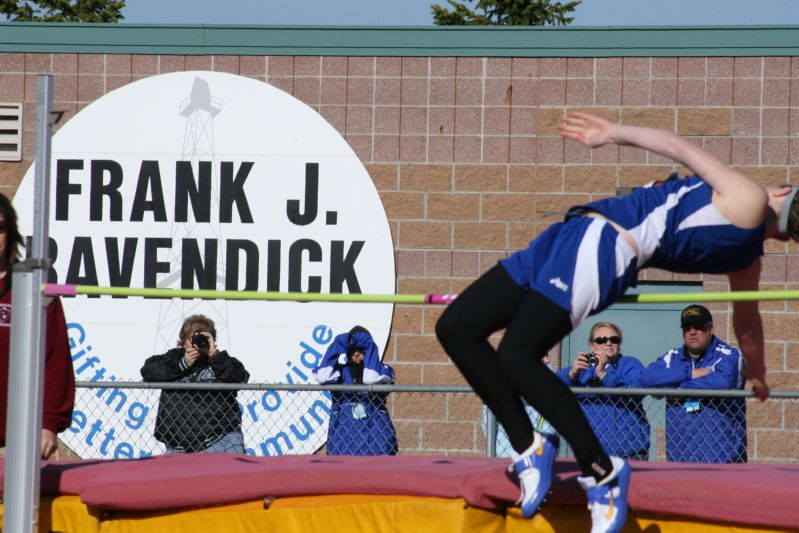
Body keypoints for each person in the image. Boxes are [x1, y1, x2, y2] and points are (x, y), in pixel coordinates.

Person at [436, 110, 786, 532]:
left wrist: (613, 133)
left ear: (784, 195)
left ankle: (603, 472)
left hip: (605, 248)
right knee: (456, 328)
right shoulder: (747, 260)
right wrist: (759, 373)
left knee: (517, 356)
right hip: (572, 233)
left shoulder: (749, 199)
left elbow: (676, 145)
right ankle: (529, 447)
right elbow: (749, 325)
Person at [0, 193, 74, 460]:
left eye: (0, 227)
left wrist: (48, 423)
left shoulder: (33, 290)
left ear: (11, 233)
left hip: (15, 442)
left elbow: (56, 359)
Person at [642, 304, 747, 463]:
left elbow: (724, 381)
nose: (692, 331)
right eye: (687, 327)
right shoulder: (673, 356)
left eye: (698, 326)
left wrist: (678, 387)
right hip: (679, 457)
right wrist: (689, 373)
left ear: (710, 329)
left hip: (722, 458)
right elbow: (647, 378)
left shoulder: (729, 354)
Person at [141, 314, 250, 454]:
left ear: (212, 340)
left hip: (221, 441)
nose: (197, 344)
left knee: (231, 477)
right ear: (183, 341)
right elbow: (148, 371)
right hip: (178, 448)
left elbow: (239, 377)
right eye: (192, 339)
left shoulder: (220, 360)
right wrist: (182, 364)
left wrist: (214, 355)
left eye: (203, 339)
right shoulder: (174, 357)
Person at [557, 322, 650, 461]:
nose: (608, 343)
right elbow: (552, 390)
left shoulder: (630, 364)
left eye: (614, 340)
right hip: (590, 454)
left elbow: (635, 392)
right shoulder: (580, 370)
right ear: (591, 345)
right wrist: (572, 374)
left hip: (628, 452)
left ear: (619, 344)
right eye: (601, 340)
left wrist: (603, 374)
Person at [313, 325, 398, 456]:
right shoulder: (339, 372)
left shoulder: (384, 370)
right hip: (342, 446)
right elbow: (322, 376)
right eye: (352, 350)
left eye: (361, 349)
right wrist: (341, 342)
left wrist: (368, 344)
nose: (356, 353)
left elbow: (371, 378)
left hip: (377, 446)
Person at [484, 354, 558, 458]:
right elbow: (487, 424)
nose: (547, 360)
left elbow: (551, 428)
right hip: (506, 452)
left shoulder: (549, 380)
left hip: (535, 452)